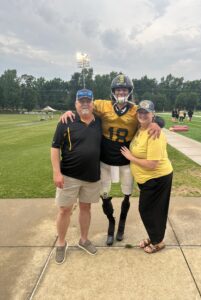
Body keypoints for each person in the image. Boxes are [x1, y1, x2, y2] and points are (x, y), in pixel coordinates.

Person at [61, 74, 164, 246]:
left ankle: (122, 223)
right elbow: (84, 107)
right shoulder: (103, 105)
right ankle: (111, 222)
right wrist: (69, 112)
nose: (121, 92)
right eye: (118, 89)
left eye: (124, 89)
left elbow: (154, 117)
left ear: (130, 92)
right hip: (105, 160)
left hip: (125, 161)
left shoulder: (135, 110)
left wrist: (156, 123)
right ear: (113, 91)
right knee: (105, 194)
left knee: (127, 194)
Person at [51, 89, 102, 264]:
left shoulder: (100, 122)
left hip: (92, 176)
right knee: (64, 209)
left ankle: (84, 239)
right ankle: (61, 243)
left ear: (93, 103)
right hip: (69, 176)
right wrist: (56, 172)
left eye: (88, 101)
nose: (85, 104)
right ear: (76, 104)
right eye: (82, 101)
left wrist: (156, 122)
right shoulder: (66, 121)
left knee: (86, 208)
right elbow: (55, 148)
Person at [121, 100, 173, 254]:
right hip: (148, 180)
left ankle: (158, 242)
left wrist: (131, 157)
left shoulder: (154, 134)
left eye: (146, 112)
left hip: (158, 178)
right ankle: (154, 237)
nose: (142, 115)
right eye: (140, 112)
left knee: (148, 210)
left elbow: (152, 164)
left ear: (153, 115)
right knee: (152, 210)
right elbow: (129, 102)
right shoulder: (141, 128)